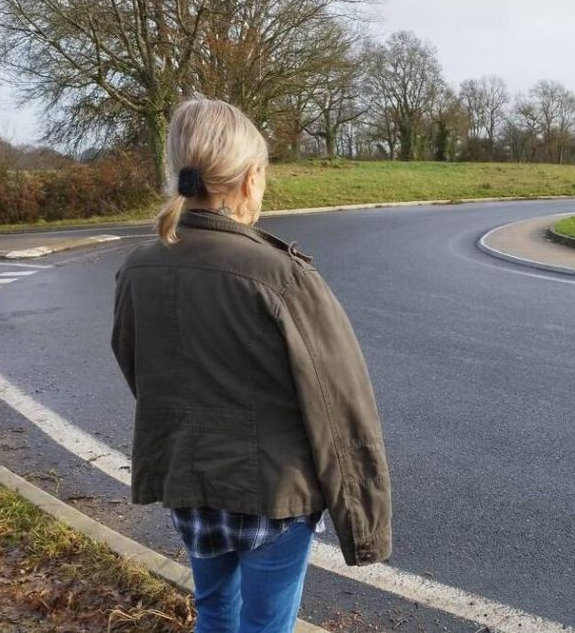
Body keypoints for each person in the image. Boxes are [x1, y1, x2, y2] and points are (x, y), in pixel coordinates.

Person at [111, 97, 391, 633]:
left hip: (188, 484)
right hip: (273, 495)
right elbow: (341, 408)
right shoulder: (281, 276)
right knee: (267, 626)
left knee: (214, 611)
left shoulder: (138, 267)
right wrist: (363, 522)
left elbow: (136, 367)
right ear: (248, 179)